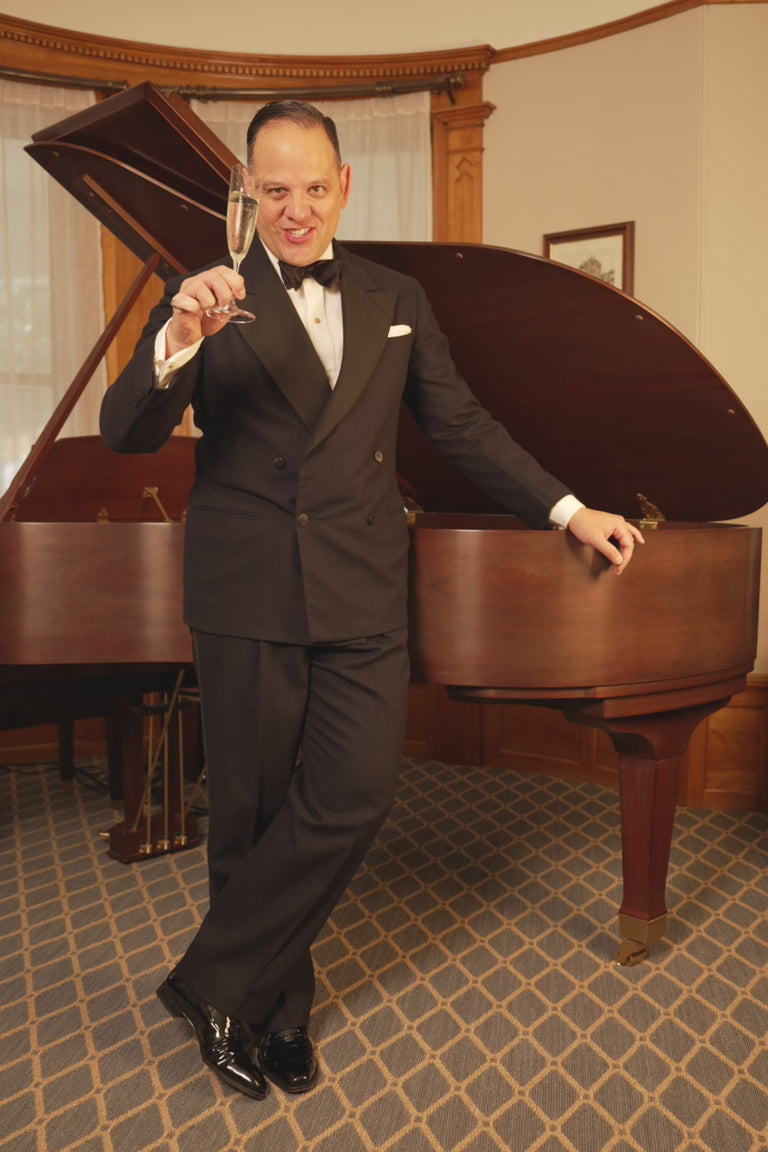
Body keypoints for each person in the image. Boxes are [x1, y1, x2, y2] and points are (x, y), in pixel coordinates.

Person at [100, 100, 643, 1101]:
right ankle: (275, 1012)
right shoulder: (208, 298)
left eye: (314, 187)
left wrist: (568, 509)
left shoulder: (396, 296)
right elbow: (127, 430)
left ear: (344, 187)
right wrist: (177, 335)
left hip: (362, 589)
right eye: (276, 191)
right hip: (249, 590)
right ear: (248, 197)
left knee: (355, 795)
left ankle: (212, 981)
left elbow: (465, 424)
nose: (297, 208)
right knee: (253, 817)